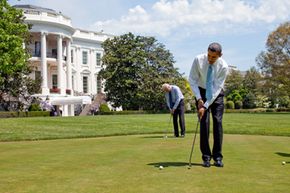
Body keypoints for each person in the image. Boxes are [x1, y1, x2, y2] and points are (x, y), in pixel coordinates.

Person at [188, 42, 229, 167]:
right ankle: (206, 157)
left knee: (217, 122)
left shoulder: (224, 66)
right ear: (207, 52)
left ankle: (217, 157)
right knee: (204, 123)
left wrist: (205, 106)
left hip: (216, 94)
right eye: (209, 56)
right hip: (201, 90)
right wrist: (199, 99)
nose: (210, 59)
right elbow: (192, 80)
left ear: (220, 55)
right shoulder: (198, 60)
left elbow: (216, 89)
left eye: (214, 57)